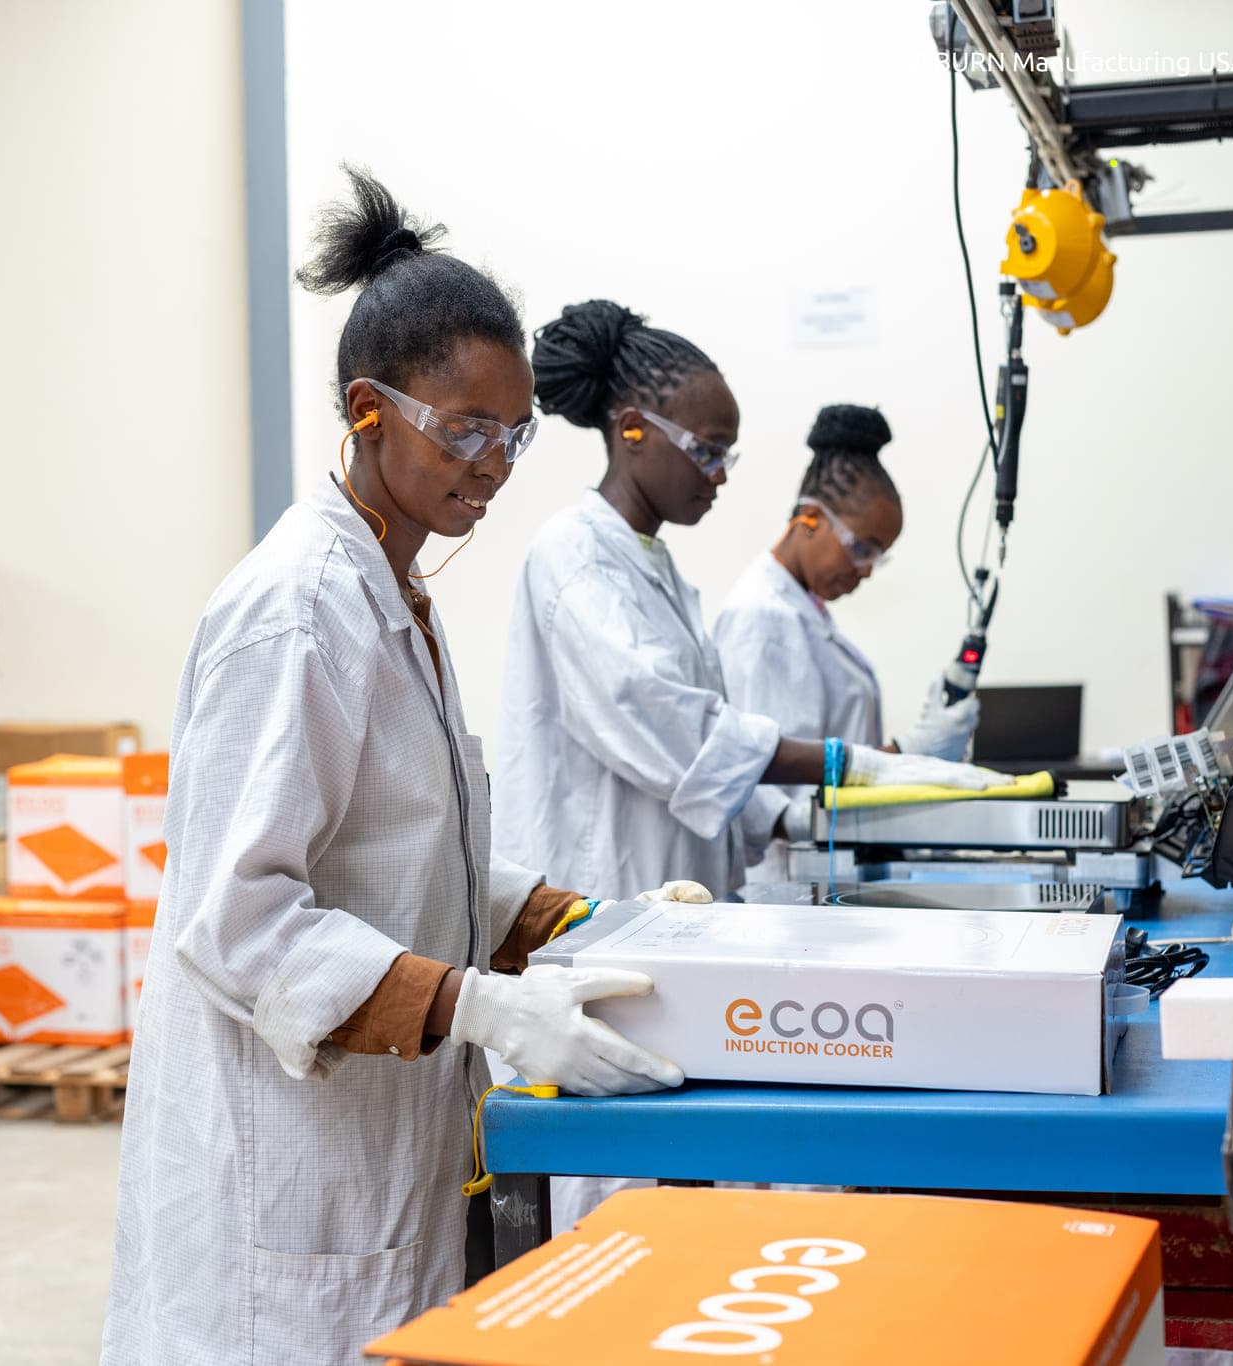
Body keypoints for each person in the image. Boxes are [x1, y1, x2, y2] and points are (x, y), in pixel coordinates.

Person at [101, 173, 698, 1366]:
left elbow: (401, 853)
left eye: (513, 435)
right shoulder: (299, 609)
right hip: (286, 1191)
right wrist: (479, 1004)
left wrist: (580, 921)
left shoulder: (391, 591)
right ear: (368, 411)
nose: (492, 463)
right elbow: (238, 918)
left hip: (373, 1155)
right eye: (463, 430)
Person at [495, 303, 1006, 1227]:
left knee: (678, 1196)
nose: (723, 476)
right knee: (611, 1206)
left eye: (729, 455)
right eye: (708, 450)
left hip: (674, 917)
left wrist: (834, 792)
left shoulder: (660, 572)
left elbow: (715, 766)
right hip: (604, 907)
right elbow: (671, 729)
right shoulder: (572, 554)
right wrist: (851, 767)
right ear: (632, 428)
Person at [712, 404, 982, 881]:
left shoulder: (802, 610)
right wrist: (911, 753)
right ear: (810, 517)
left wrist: (912, 758)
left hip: (829, 870)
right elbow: (780, 784)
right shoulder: (762, 620)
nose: (866, 570)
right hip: (791, 883)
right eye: (861, 549)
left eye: (878, 557)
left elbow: (833, 759)